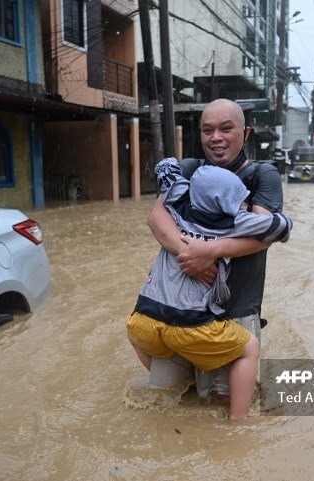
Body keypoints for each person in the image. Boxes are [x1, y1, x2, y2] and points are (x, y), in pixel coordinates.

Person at [128, 158, 292, 419]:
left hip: (142, 322)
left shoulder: (178, 202)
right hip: (189, 325)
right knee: (249, 347)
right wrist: (255, 214)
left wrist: (183, 177)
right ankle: (238, 423)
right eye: (239, 199)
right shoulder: (232, 222)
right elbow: (280, 228)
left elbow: (164, 168)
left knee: (154, 349)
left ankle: (185, 386)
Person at [146, 98, 285, 406]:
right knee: (166, 397)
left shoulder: (262, 175)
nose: (216, 137)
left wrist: (210, 251)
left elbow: (262, 234)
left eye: (226, 128)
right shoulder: (189, 169)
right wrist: (191, 255)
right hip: (179, 309)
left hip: (235, 308)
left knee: (223, 402)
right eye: (207, 130)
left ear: (246, 134)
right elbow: (156, 218)